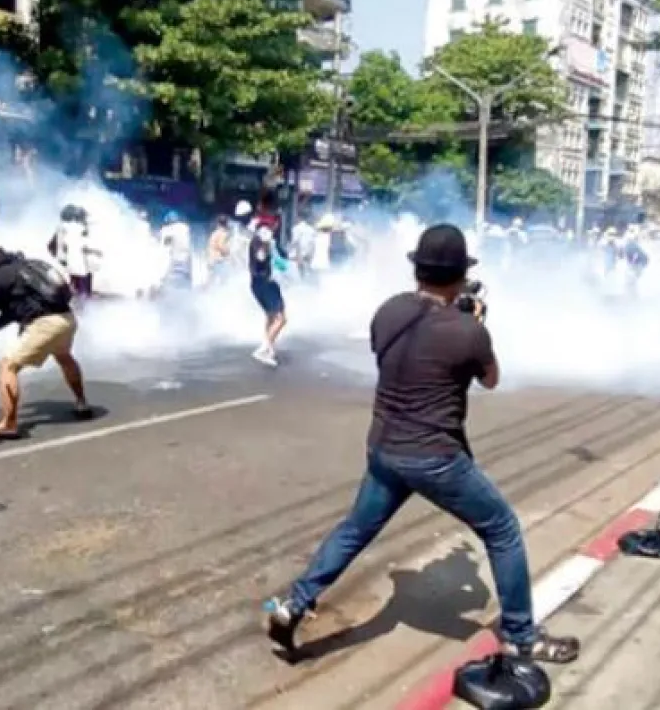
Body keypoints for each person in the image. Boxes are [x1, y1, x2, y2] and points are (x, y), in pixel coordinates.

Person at [263, 224, 580, 666]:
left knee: (355, 530)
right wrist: (472, 323)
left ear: (419, 271)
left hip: (384, 446)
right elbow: (490, 380)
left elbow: (394, 355)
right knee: (503, 529)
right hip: (434, 457)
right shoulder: (468, 332)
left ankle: (293, 605)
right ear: (457, 276)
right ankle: (521, 636)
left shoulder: (389, 311)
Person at [0, 233, 93, 440]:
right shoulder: (24, 265)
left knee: (7, 366)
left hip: (45, 324)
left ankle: (9, 424)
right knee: (64, 357)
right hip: (66, 319)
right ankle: (82, 403)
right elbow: (10, 314)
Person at [249, 223, 287, 367]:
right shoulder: (261, 247)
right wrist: (268, 246)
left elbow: (279, 263)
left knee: (271, 316)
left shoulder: (259, 244)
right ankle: (264, 349)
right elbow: (262, 258)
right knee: (281, 319)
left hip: (262, 284)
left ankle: (268, 347)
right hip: (265, 284)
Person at [158, 210, 194, 291]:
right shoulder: (185, 227)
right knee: (186, 279)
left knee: (169, 279)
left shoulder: (166, 229)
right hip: (187, 257)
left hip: (175, 259)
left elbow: (165, 244)